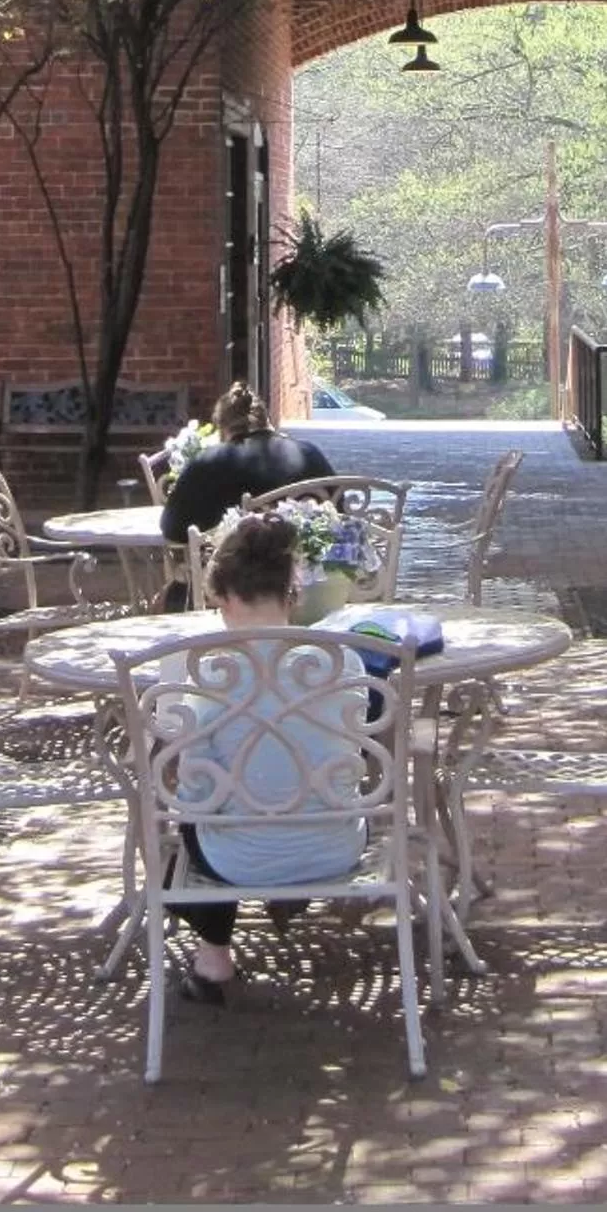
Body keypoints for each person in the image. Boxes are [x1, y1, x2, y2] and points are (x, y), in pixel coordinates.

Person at [165, 510, 368, 1003]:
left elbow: (196, 793)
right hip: (337, 845)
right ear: (291, 593)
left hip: (237, 860)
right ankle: (289, 890)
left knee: (181, 828)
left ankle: (214, 958)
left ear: (226, 595)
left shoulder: (210, 677)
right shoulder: (344, 660)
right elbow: (352, 755)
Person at [158, 381, 333, 588]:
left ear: (222, 428)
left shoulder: (209, 462)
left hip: (238, 588)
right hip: (314, 584)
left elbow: (172, 529)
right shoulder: (309, 454)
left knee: (169, 594)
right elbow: (340, 513)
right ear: (267, 421)